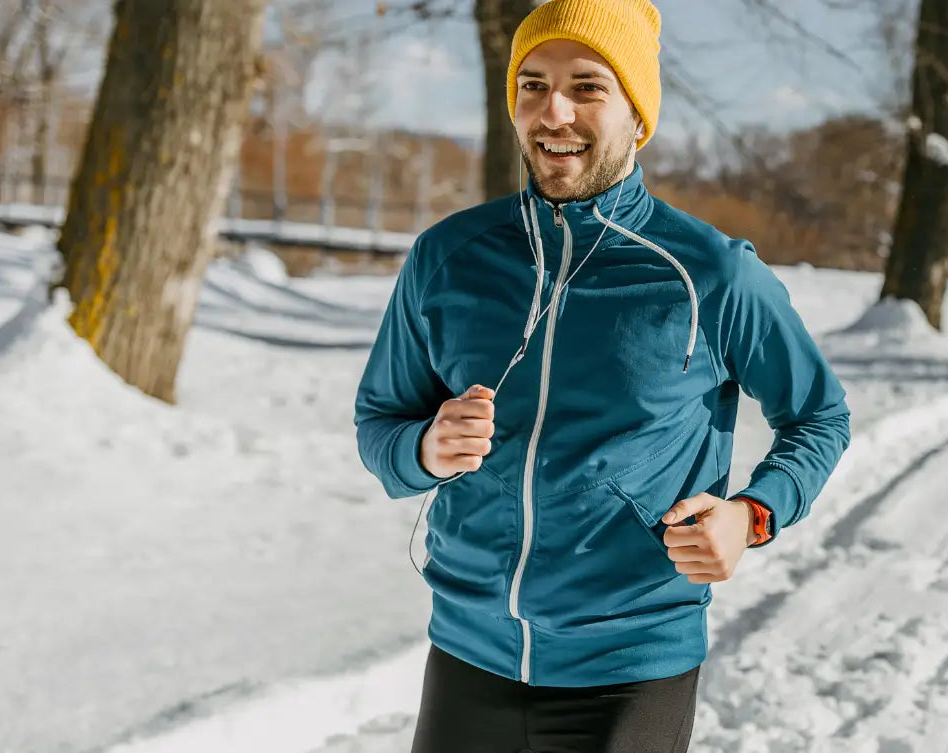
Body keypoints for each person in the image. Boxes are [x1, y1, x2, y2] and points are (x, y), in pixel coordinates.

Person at [352, 1, 851, 749]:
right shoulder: (447, 258)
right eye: (533, 85)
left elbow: (819, 416)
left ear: (638, 115)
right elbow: (379, 421)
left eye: (587, 87)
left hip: (631, 669)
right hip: (467, 656)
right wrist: (424, 448)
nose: (554, 112)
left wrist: (750, 515)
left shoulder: (711, 274)